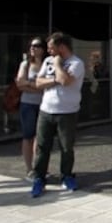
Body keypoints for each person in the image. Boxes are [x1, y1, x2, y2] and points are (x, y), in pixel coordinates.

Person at [30, 32, 85, 198]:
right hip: (46, 110)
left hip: (67, 112)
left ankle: (66, 175)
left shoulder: (76, 63)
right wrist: (55, 79)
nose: (48, 51)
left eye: (51, 47)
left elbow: (67, 81)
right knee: (42, 146)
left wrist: (59, 65)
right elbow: (38, 83)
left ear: (62, 47)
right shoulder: (47, 61)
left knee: (66, 147)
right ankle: (39, 177)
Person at [16, 37, 46, 181]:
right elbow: (20, 84)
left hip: (44, 105)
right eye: (31, 45)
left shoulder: (48, 63)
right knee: (28, 136)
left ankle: (38, 167)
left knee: (40, 138)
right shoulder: (25, 64)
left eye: (37, 45)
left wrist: (30, 85)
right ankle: (29, 169)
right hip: (27, 104)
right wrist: (38, 86)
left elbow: (50, 85)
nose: (33, 48)